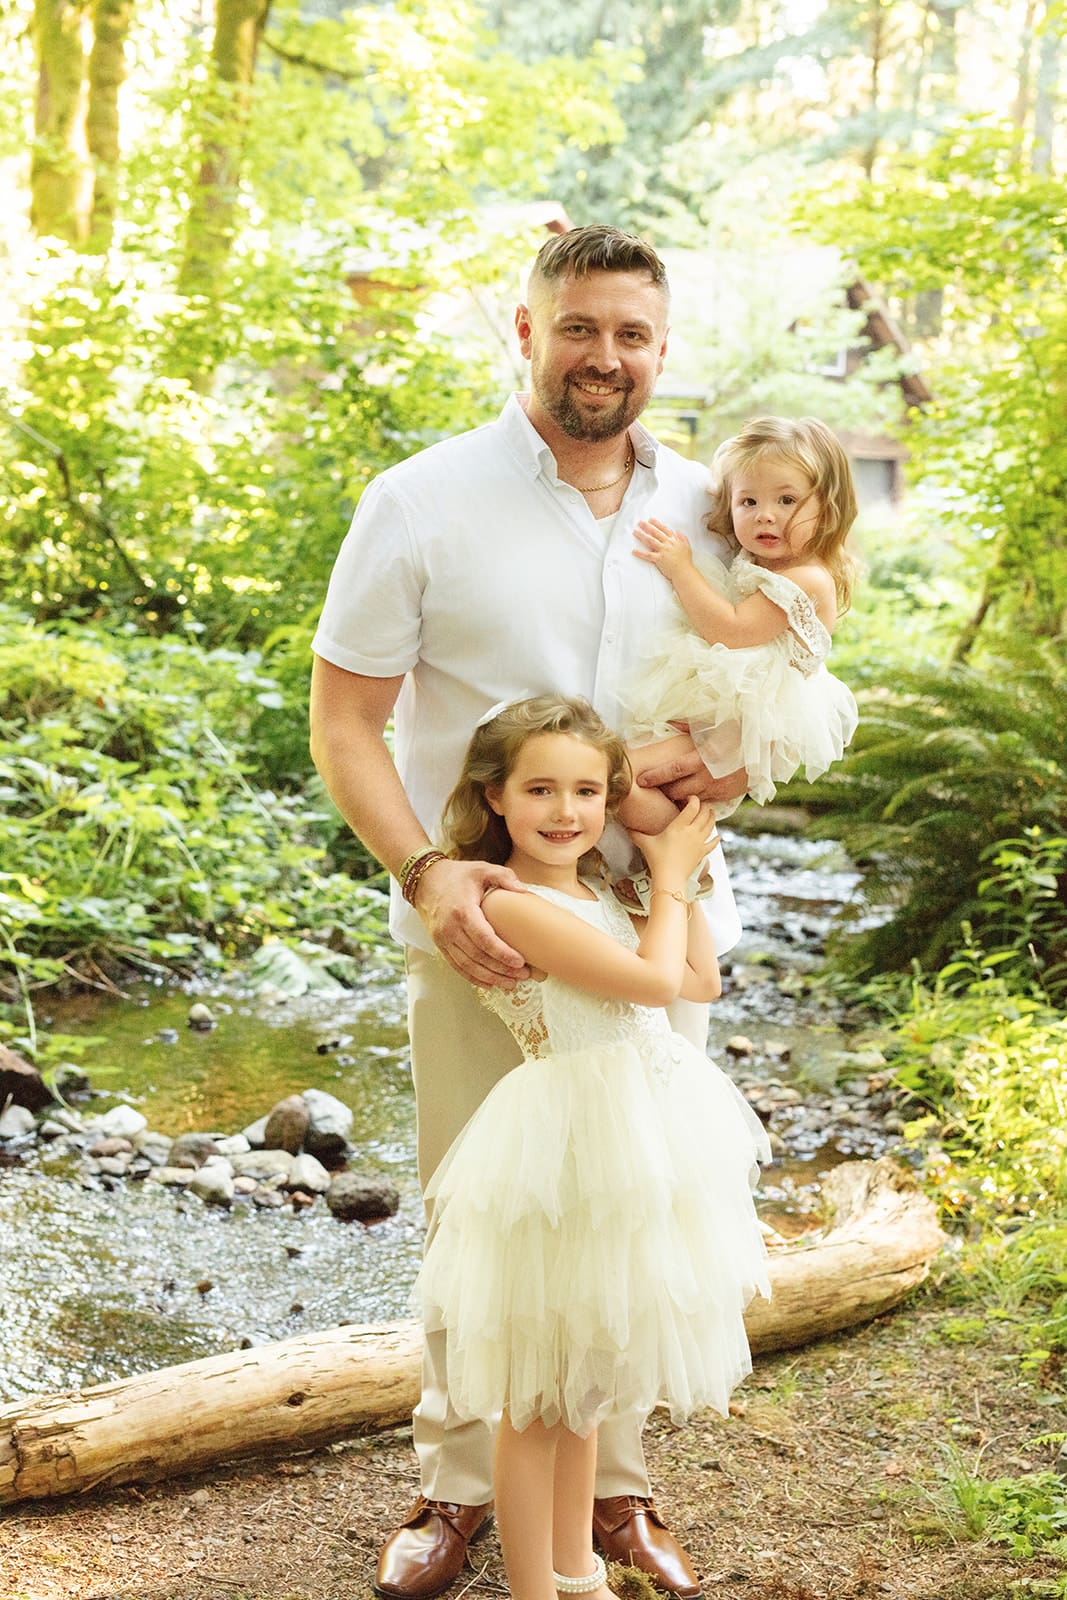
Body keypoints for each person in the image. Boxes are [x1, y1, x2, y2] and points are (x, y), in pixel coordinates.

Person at [309, 223, 749, 1600]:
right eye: (577, 328)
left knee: (631, 1209)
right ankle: (456, 1489)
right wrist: (427, 872)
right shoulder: (420, 500)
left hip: (655, 928)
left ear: (661, 351)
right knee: (481, 1215)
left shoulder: (716, 520)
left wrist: (718, 769)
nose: (602, 357)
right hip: (481, 924)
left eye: (629, 334)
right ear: (523, 332)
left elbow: (750, 704)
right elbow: (344, 720)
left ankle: (610, 1494)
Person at [418, 695, 770, 1600]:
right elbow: (656, 981)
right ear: (494, 797)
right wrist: (674, 873)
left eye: (585, 790)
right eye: (540, 789)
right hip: (567, 1145)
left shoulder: (600, 892)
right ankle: (535, 1590)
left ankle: (579, 1575)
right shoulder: (509, 898)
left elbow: (699, 978)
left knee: (587, 1385)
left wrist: (665, 874)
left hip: (637, 1134)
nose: (565, 812)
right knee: (538, 1397)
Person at [617, 416, 859, 866]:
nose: (765, 514)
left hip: (737, 719)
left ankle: (680, 865)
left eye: (787, 500)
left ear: (827, 508)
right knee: (632, 779)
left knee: (617, 773)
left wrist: (680, 567)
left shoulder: (805, 578)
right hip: (719, 713)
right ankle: (665, 864)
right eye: (748, 500)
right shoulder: (771, 563)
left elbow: (729, 629)